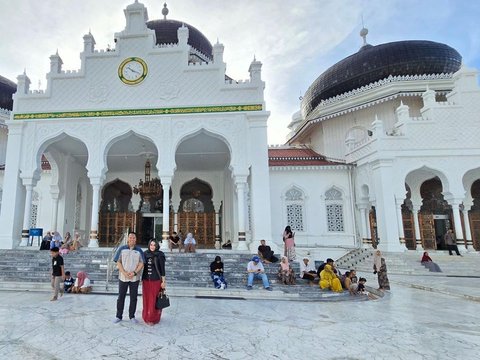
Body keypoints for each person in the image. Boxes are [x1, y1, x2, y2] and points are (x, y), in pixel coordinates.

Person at [113, 231, 144, 324]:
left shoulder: (139, 250)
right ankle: (118, 316)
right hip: (123, 277)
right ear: (127, 239)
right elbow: (118, 262)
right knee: (121, 297)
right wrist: (124, 273)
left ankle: (132, 316)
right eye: (130, 237)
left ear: (136, 239)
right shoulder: (122, 249)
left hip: (134, 278)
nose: (132, 239)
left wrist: (134, 273)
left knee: (133, 297)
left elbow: (142, 263)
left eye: (134, 238)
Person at [142, 239, 166, 325]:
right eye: (151, 245)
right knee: (146, 299)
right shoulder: (145, 254)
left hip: (156, 281)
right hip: (146, 281)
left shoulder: (160, 255)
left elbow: (162, 270)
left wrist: (163, 282)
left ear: (157, 246)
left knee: (154, 300)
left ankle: (153, 318)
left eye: (154, 245)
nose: (152, 247)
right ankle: (146, 316)